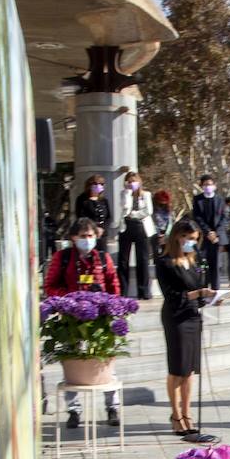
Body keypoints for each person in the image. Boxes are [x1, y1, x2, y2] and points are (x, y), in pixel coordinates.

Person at [43, 217, 122, 427]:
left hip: (100, 320)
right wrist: (71, 298)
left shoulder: (103, 258)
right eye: (82, 236)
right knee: (72, 363)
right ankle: (73, 410)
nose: (87, 240)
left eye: (90, 235)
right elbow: (50, 286)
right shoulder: (63, 258)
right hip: (71, 319)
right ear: (73, 237)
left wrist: (108, 302)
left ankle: (112, 407)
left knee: (105, 361)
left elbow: (114, 285)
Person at [155, 219, 215, 434]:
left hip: (193, 316)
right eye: (188, 238)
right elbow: (172, 295)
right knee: (177, 369)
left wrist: (209, 297)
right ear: (178, 237)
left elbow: (199, 288)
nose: (192, 243)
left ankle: (187, 414)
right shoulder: (165, 262)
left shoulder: (194, 261)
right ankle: (175, 415)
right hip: (176, 317)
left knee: (189, 370)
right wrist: (197, 294)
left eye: (195, 239)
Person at [117, 171, 156, 300]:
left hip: (141, 226)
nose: (132, 184)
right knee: (123, 260)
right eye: (129, 182)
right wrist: (128, 193)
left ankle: (143, 291)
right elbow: (125, 207)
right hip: (126, 226)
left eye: (134, 181)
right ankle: (123, 291)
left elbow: (148, 211)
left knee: (142, 259)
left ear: (139, 182)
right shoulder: (124, 194)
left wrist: (134, 214)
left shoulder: (146, 195)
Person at [191, 174, 228, 291]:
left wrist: (216, 233)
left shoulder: (220, 200)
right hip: (204, 237)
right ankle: (203, 290)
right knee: (203, 265)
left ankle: (215, 291)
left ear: (214, 186)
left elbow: (224, 218)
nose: (208, 186)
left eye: (210, 184)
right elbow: (197, 217)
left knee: (216, 265)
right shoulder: (197, 200)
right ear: (202, 186)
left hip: (217, 238)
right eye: (205, 184)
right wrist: (208, 232)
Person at [74, 172, 111, 242]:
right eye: (95, 184)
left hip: (102, 234)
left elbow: (108, 217)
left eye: (101, 184)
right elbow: (80, 217)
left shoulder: (104, 200)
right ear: (89, 185)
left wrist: (102, 228)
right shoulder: (82, 199)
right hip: (89, 233)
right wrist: (94, 229)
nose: (98, 186)